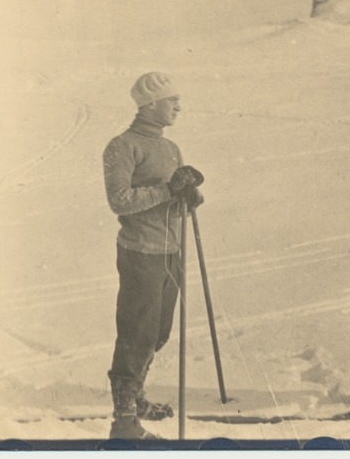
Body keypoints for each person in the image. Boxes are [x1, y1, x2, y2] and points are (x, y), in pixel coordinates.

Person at [102, 71, 204, 439]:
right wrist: (167, 190)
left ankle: (137, 397)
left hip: (171, 250)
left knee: (159, 332)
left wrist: (187, 197)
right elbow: (120, 201)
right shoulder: (122, 146)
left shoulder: (171, 147)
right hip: (140, 252)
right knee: (137, 332)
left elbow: (172, 198)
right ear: (149, 105)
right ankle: (124, 419)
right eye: (171, 99)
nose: (178, 105)